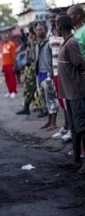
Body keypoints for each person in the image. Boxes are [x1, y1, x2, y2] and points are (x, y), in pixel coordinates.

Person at [56, 15, 85, 174]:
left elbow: (81, 64)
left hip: (77, 92)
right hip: (70, 93)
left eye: (55, 25)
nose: (55, 28)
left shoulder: (71, 44)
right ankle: (76, 160)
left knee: (82, 127)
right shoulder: (66, 43)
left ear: (60, 26)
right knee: (74, 128)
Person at [48, 9, 69, 139]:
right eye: (50, 17)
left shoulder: (65, 33)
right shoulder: (51, 33)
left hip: (64, 70)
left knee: (67, 101)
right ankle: (66, 126)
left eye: (54, 17)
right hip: (55, 69)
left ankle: (71, 128)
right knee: (61, 100)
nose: (52, 20)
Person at [35, 22, 59, 130]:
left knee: (51, 99)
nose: (38, 31)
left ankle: (54, 123)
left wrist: (52, 70)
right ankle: (49, 121)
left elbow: (54, 57)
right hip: (40, 74)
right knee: (44, 99)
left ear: (45, 30)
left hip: (48, 73)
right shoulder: (37, 43)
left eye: (40, 29)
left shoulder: (49, 42)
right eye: (37, 30)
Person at [16, 25, 38, 115]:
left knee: (32, 87)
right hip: (30, 66)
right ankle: (28, 106)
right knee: (29, 87)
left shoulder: (37, 41)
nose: (29, 35)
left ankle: (31, 107)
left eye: (30, 32)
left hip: (35, 66)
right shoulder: (31, 41)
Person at [1, 33, 17, 98]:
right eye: (3, 37)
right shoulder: (3, 45)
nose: (5, 38)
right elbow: (3, 57)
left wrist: (14, 65)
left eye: (6, 37)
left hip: (10, 64)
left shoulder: (12, 44)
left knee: (12, 78)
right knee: (7, 79)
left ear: (8, 37)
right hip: (5, 65)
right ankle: (9, 91)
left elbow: (14, 56)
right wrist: (3, 66)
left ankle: (14, 91)